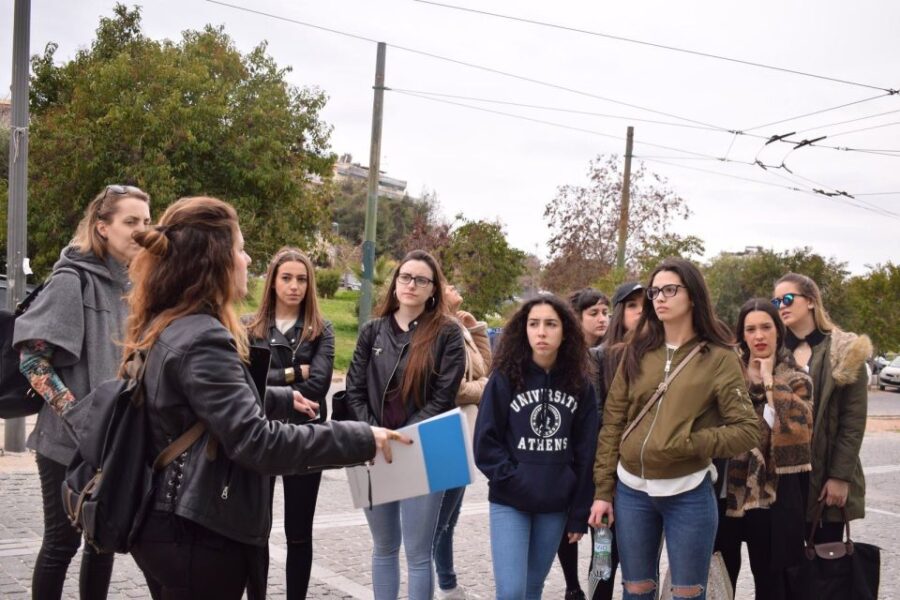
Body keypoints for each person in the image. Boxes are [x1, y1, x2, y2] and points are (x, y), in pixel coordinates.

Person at [124, 196, 402, 599]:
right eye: (239, 249)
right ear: (214, 261)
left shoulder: (174, 322)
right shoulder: (203, 337)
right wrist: (360, 437)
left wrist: (278, 397)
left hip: (172, 522)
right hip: (196, 532)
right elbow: (257, 441)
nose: (248, 259)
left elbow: (202, 403)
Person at [590, 258, 758, 600]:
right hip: (632, 491)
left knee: (687, 593)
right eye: (655, 291)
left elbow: (746, 430)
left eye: (670, 290)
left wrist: (690, 443)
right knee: (635, 589)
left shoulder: (719, 357)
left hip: (688, 494)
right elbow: (613, 423)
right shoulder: (637, 350)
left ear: (693, 296)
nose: (660, 298)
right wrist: (603, 491)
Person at [13, 184, 151, 600]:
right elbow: (32, 361)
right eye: (131, 221)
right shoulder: (71, 281)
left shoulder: (135, 284)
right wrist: (79, 418)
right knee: (62, 543)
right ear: (102, 227)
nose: (141, 230)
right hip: (65, 446)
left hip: (114, 443)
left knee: (103, 541)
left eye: (146, 221)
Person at [344, 250, 466, 600]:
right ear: (395, 283)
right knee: (383, 547)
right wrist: (373, 433)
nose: (412, 285)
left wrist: (401, 437)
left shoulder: (447, 334)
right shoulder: (372, 331)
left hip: (427, 448)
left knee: (417, 553)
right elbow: (353, 389)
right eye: (405, 277)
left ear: (433, 290)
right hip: (371, 447)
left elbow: (444, 396)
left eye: (421, 280)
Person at [475, 294, 598, 600]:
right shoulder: (504, 378)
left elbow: (586, 452)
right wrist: (512, 478)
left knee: (532, 589)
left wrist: (578, 511)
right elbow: (485, 442)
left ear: (565, 331)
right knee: (511, 591)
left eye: (550, 324)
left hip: (555, 504)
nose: (541, 332)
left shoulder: (581, 384)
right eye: (534, 324)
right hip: (509, 501)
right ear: (523, 330)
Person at [246, 247, 335, 599]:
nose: (294, 286)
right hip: (261, 435)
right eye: (286, 278)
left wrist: (273, 381)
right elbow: (247, 385)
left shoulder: (320, 330)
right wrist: (295, 371)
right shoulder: (249, 327)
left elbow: (319, 386)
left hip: (305, 438)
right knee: (256, 529)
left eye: (301, 279)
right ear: (272, 281)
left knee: (299, 532)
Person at [714, 298, 814, 600]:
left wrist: (770, 379)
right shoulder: (728, 373)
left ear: (778, 331)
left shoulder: (797, 377)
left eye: (766, 328)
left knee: (771, 582)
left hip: (773, 497)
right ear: (742, 335)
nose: (759, 336)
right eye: (751, 329)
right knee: (720, 576)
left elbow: (798, 428)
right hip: (726, 493)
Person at [772, 273, 870, 542]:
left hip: (825, 473)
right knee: (785, 567)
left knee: (825, 566)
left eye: (789, 298)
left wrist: (840, 477)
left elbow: (853, 423)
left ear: (812, 301)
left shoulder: (845, 351)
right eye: (777, 301)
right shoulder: (774, 352)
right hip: (783, 477)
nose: (782, 306)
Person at [583, 281, 643, 600]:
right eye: (632, 305)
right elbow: (596, 419)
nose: (641, 312)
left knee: (640, 568)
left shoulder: (661, 358)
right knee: (603, 561)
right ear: (621, 312)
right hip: (608, 478)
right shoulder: (599, 357)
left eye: (645, 305)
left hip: (646, 480)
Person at [433, 283, 492, 600]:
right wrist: (483, 387)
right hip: (446, 432)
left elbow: (486, 368)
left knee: (449, 519)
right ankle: (437, 584)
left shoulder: (459, 325)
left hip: (465, 430)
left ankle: (447, 583)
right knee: (440, 520)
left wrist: (476, 329)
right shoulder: (441, 329)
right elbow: (454, 388)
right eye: (447, 284)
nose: (454, 286)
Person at [555, 287, 610, 600]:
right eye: (594, 313)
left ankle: (600, 589)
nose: (602, 319)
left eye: (605, 312)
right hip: (571, 461)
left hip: (602, 462)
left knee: (602, 533)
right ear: (576, 318)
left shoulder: (612, 354)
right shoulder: (564, 360)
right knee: (569, 530)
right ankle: (573, 586)